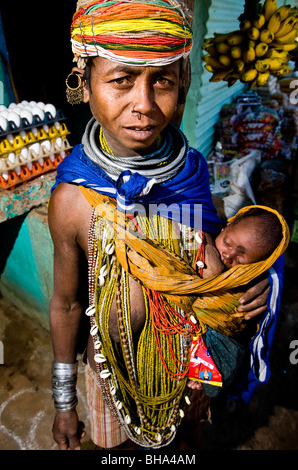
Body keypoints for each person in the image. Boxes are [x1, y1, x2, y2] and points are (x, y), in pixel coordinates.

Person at [48, 0, 275, 451]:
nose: (145, 105)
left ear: (182, 86)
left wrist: (248, 283)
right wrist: (64, 402)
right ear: (85, 83)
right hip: (108, 376)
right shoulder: (72, 202)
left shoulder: (188, 170)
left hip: (190, 375)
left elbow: (211, 246)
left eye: (164, 82)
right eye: (120, 80)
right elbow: (67, 306)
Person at [188, 205, 288, 391]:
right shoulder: (203, 225)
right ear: (226, 225)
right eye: (226, 242)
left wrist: (273, 275)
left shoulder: (250, 279)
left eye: (240, 259)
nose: (228, 255)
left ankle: (207, 375)